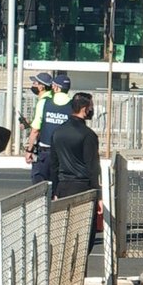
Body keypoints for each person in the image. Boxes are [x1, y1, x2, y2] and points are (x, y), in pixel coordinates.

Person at [50, 92, 101, 250]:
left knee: (64, 235)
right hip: (83, 188)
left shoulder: (57, 132)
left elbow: (54, 165)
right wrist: (99, 195)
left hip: (63, 188)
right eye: (91, 107)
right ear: (85, 109)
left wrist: (55, 191)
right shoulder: (88, 135)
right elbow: (93, 167)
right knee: (84, 238)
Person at [24, 74, 72, 183]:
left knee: (40, 184)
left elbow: (35, 130)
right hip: (65, 153)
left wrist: (29, 150)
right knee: (59, 184)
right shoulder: (73, 105)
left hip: (46, 151)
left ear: (56, 87)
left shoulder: (44, 103)